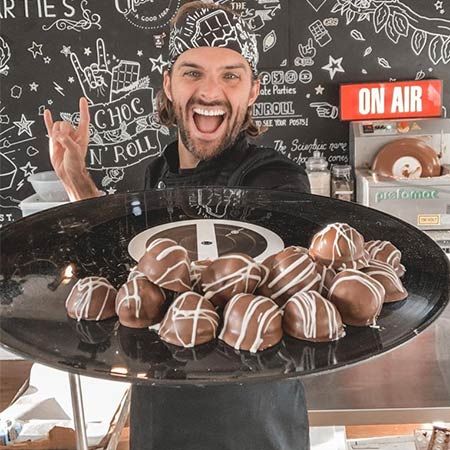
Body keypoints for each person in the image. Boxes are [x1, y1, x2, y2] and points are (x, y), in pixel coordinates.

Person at [44, 2, 311, 449]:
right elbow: (118, 275)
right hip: (160, 415)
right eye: (192, 73)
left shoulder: (275, 181)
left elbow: (233, 295)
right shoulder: (146, 179)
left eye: (230, 74)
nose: (211, 91)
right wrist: (78, 181)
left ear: (253, 91)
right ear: (168, 85)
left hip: (253, 424)